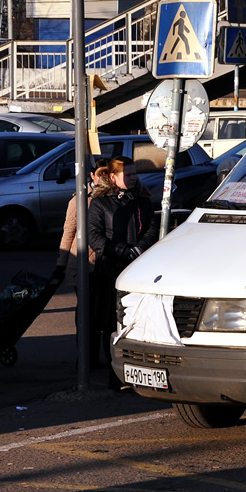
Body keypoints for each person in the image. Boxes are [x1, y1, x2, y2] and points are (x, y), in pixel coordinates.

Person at [87, 156, 158, 386]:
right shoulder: (100, 202)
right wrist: (120, 249)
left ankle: (139, 371)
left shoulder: (142, 200)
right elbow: (94, 236)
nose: (133, 178)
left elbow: (152, 228)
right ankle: (116, 374)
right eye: (127, 175)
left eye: (134, 173)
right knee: (112, 322)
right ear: (114, 177)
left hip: (138, 268)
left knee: (139, 320)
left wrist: (139, 248)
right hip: (111, 270)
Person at [55, 156, 110, 366]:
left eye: (107, 174)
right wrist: (61, 264)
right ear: (92, 176)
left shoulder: (112, 197)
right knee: (86, 314)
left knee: (102, 314)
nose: (103, 179)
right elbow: (68, 233)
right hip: (83, 265)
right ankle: (87, 359)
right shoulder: (79, 199)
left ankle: (96, 359)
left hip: (103, 265)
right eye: (100, 174)